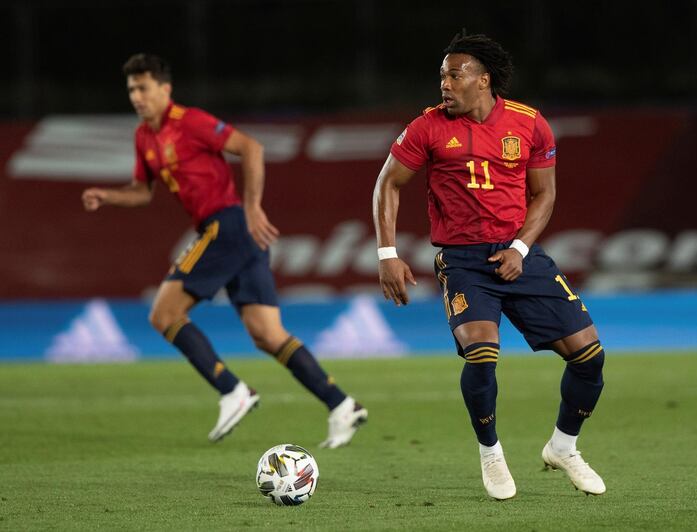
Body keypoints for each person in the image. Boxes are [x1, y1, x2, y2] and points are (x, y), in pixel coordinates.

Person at [82, 53, 367, 447]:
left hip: (228, 226)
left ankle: (232, 390)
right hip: (233, 234)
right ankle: (341, 404)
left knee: (164, 313)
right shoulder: (144, 138)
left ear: (165, 89)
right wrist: (107, 196)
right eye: (131, 88)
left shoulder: (191, 121)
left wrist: (251, 206)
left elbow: (251, 147)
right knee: (267, 334)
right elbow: (142, 192)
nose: (136, 96)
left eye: (143, 87)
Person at [373, 32, 606, 499]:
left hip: (519, 254)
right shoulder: (427, 128)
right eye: (441, 74)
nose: (444, 83)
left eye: (453, 74)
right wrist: (387, 254)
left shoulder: (529, 124)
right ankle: (491, 453)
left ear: (483, 80)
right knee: (482, 352)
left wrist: (520, 250)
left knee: (589, 357)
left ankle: (563, 446)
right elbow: (387, 185)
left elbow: (544, 195)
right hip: (462, 261)